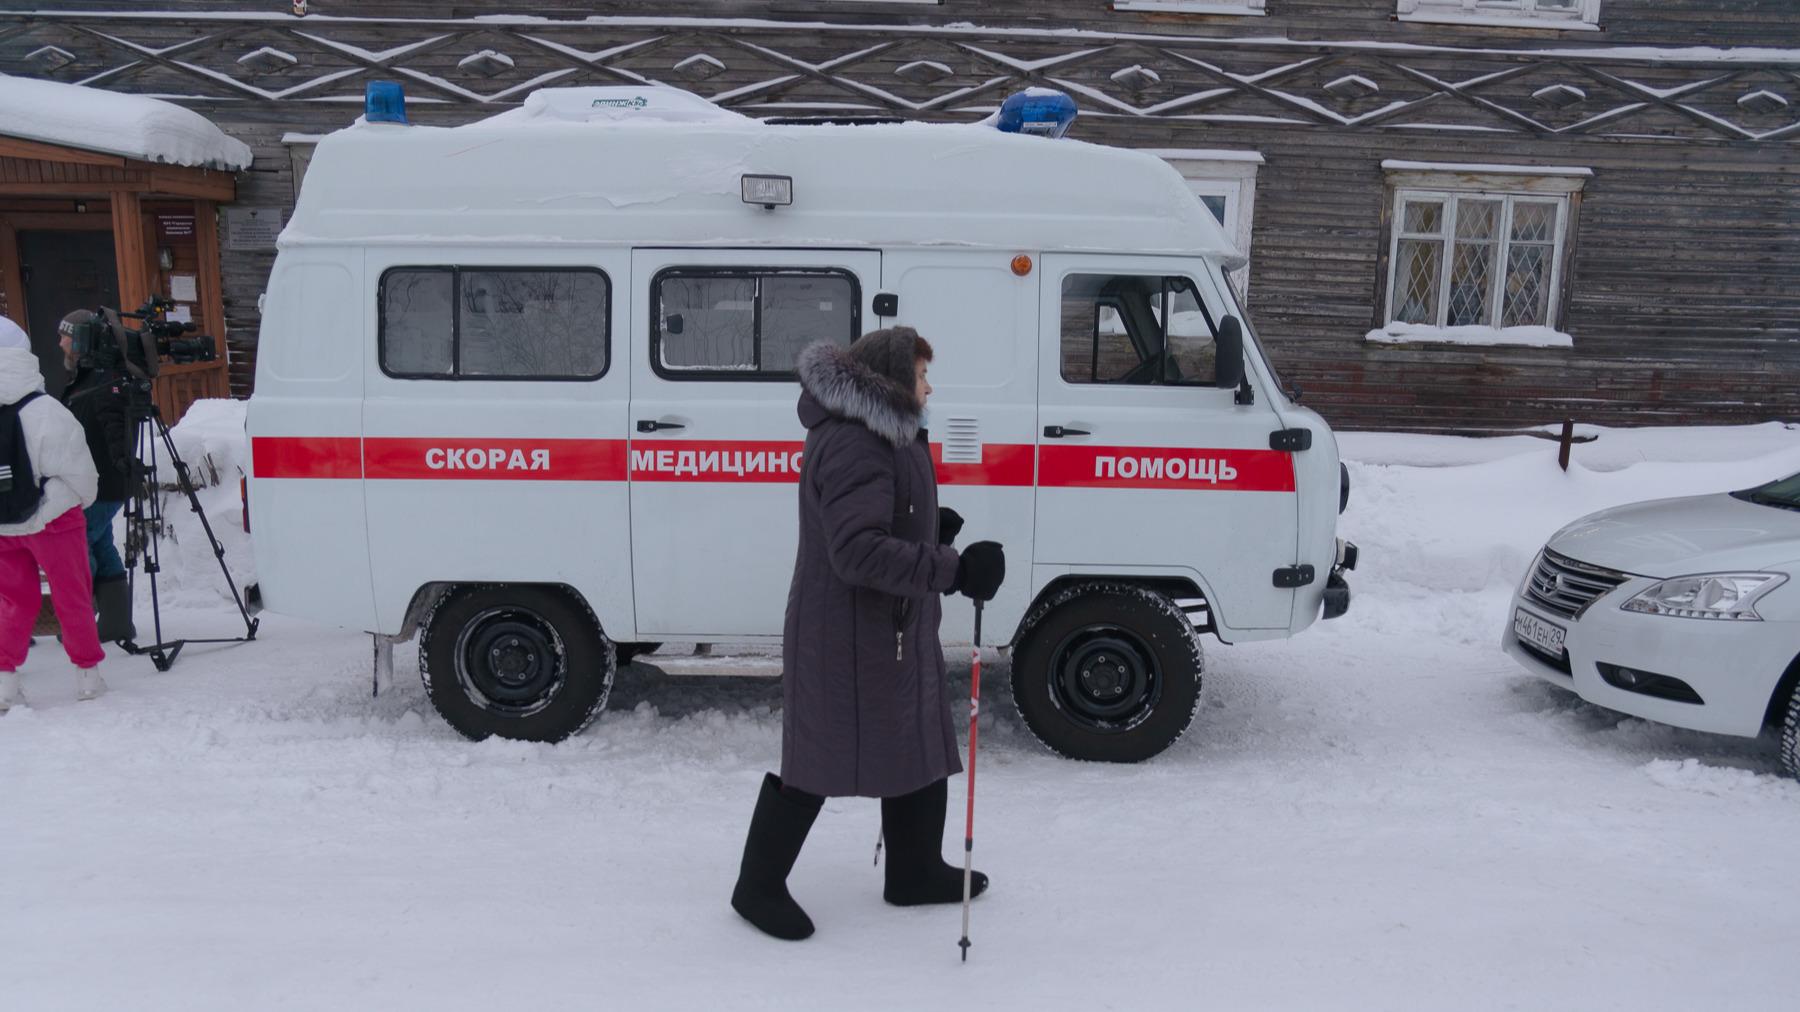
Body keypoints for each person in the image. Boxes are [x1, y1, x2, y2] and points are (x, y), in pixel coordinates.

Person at [731, 326, 1008, 941]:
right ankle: (757, 888)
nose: (930, 385)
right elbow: (855, 552)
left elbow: (879, 516)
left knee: (914, 737)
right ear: (891, 381)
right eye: (921, 373)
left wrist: (928, 528)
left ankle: (913, 871)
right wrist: (954, 569)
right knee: (819, 756)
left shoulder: (884, 429)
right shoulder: (857, 440)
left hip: (891, 628)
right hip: (844, 635)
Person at [0, 315, 106, 711]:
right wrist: (67, 503)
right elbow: (81, 471)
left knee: (13, 601)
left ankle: (5, 683)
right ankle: (87, 677)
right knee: (72, 595)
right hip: (55, 521)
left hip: (3, 524)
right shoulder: (45, 410)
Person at [59, 310, 136, 643]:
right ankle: (116, 623)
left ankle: (81, 625)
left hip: (99, 484)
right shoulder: (93, 376)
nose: (59, 342)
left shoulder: (103, 380)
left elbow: (114, 426)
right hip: (100, 483)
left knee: (78, 548)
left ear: (81, 340)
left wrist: (122, 465)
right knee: (101, 543)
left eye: (65, 336)